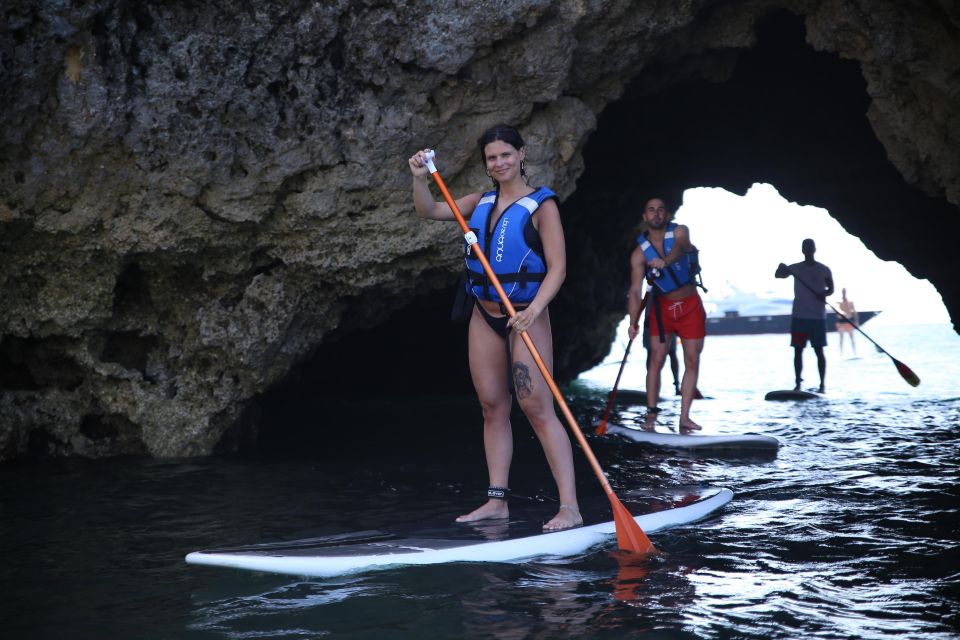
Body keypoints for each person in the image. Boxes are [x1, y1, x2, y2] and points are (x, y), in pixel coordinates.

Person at [407, 124, 581, 532]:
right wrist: (418, 180)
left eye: (506, 154)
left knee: (536, 407)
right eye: (491, 157)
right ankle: (496, 502)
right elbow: (428, 210)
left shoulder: (542, 205)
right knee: (491, 406)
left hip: (526, 314)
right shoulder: (479, 201)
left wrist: (535, 310)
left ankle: (569, 506)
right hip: (484, 315)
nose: (499, 162)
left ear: (521, 154)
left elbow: (558, 268)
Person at [626, 198, 706, 432]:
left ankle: (685, 417)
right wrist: (633, 322)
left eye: (661, 210)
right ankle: (651, 416)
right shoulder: (639, 254)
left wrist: (665, 262)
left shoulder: (680, 232)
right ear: (645, 217)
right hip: (662, 310)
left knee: (692, 359)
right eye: (651, 210)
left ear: (667, 214)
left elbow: (681, 248)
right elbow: (634, 291)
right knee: (656, 359)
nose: (656, 214)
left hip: (690, 305)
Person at [775, 239, 835, 392]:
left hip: (817, 318)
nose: (808, 250)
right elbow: (778, 275)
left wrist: (824, 294)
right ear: (803, 250)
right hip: (799, 317)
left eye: (810, 247)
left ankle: (822, 385)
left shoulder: (824, 270)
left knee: (819, 351)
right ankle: (798, 384)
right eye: (805, 248)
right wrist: (781, 267)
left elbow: (831, 289)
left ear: (814, 249)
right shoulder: (796, 268)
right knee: (798, 351)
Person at [836, 287, 858, 356]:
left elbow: (854, 312)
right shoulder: (839, 303)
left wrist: (856, 321)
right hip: (842, 322)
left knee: (851, 338)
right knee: (841, 339)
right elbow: (838, 314)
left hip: (849, 322)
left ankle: (855, 353)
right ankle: (841, 354)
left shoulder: (850, 303)